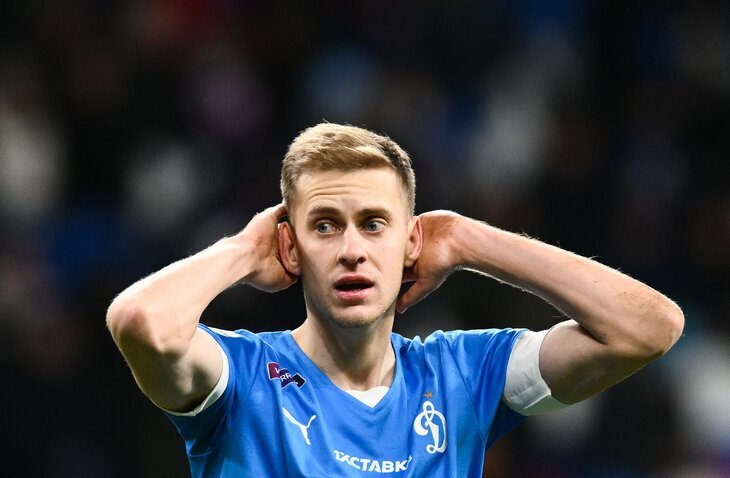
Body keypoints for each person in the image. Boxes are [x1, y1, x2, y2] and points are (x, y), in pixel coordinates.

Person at [106, 123, 684, 476]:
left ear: (410, 242)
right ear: (290, 246)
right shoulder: (243, 377)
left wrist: (467, 239)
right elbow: (140, 322)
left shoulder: (461, 377)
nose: (351, 251)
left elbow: (649, 328)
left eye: (374, 224)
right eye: (325, 226)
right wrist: (241, 250)